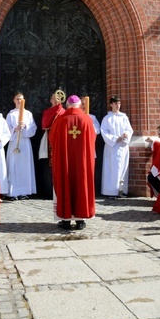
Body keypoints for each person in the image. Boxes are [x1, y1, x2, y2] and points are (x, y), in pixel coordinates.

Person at [49, 95, 96, 230]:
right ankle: (81, 219)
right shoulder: (87, 119)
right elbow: (92, 139)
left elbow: (52, 139)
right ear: (79, 105)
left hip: (66, 163)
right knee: (82, 184)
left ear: (68, 105)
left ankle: (66, 220)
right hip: (82, 162)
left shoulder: (61, 119)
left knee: (66, 184)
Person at [100, 95, 133, 199]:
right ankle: (111, 191)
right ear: (111, 105)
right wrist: (115, 139)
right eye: (115, 103)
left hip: (122, 146)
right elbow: (104, 131)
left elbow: (129, 129)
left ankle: (122, 190)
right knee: (112, 169)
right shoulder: (107, 118)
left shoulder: (124, 117)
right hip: (112, 147)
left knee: (122, 168)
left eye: (119, 103)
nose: (117, 105)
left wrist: (126, 135)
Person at [6, 92, 37, 200]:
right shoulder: (11, 115)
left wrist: (25, 126)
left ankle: (24, 191)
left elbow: (33, 128)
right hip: (14, 142)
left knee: (24, 167)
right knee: (14, 166)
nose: (19, 101)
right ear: (14, 100)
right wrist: (15, 129)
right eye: (17, 99)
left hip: (24, 142)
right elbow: (6, 129)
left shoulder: (28, 114)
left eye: (21, 99)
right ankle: (13, 192)